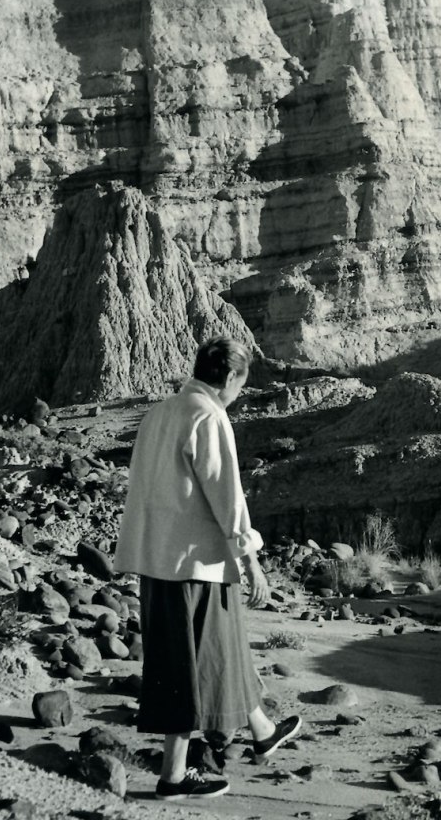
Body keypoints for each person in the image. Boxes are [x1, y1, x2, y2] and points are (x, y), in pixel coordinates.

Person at [113, 335, 301, 800]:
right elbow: (226, 495)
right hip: (195, 566)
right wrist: (250, 560)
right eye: (240, 385)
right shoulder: (208, 416)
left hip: (158, 562)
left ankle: (262, 730)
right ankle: (173, 777)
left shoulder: (158, 413)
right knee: (191, 665)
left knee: (219, 649)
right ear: (232, 378)